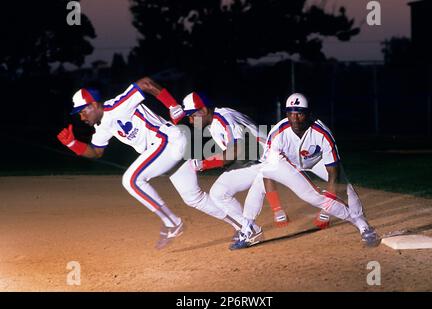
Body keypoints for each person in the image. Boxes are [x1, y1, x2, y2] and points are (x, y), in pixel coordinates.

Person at [230, 93, 380, 250]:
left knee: (346, 189)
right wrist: (276, 208)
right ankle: (248, 228)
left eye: (299, 113)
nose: (294, 118)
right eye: (290, 113)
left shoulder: (322, 133)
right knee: (260, 176)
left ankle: (363, 226)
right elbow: (269, 171)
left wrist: (326, 210)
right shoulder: (277, 134)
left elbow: (333, 173)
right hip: (289, 163)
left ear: (308, 114)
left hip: (318, 161)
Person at [56, 77, 189, 249]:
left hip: (169, 140)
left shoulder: (116, 106)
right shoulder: (102, 127)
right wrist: (73, 145)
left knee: (131, 180)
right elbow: (96, 152)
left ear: (95, 105)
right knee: (195, 197)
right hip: (162, 149)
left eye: (82, 111)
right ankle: (237, 224)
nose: (81, 117)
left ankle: (173, 222)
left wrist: (172, 105)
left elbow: (146, 83)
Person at [169, 92, 289, 242]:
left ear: (205, 110)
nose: (191, 121)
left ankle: (250, 229)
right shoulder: (215, 121)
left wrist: (204, 163)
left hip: (265, 162)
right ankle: (248, 229)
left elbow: (236, 151)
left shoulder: (224, 118)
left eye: (192, 115)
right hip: (255, 162)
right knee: (219, 192)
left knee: (219, 192)